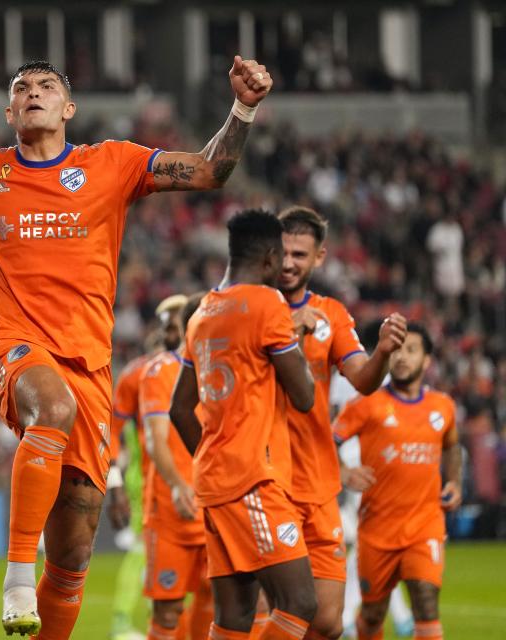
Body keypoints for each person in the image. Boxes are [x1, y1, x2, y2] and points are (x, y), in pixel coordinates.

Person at [0, 57, 274, 638]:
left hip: (89, 365)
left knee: (74, 557)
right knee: (50, 409)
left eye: (46, 86)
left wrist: (243, 107)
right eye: (20, 88)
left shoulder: (111, 163)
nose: (32, 93)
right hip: (13, 343)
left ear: (67, 109)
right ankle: (16, 576)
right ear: (8, 111)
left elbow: (208, 171)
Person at [169, 209, 317, 640]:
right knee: (299, 602)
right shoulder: (267, 303)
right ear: (270, 258)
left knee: (233, 616)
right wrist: (297, 339)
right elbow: (305, 397)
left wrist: (216, 454)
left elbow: (179, 409)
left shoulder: (200, 314)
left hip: (214, 480)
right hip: (252, 479)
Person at [265, 206, 407, 640]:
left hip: (319, 482)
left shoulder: (332, 315)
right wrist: (288, 330)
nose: (289, 263)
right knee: (264, 611)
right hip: (265, 480)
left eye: (300, 255)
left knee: (325, 621)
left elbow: (363, 379)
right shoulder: (249, 306)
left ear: (319, 258)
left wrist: (383, 352)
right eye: (284, 252)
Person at [332, 325, 462, 640]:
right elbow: (327, 439)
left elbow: (452, 445)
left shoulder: (442, 406)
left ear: (427, 360)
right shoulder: (366, 404)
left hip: (425, 525)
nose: (402, 357)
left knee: (426, 604)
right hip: (377, 530)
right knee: (374, 614)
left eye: (412, 350)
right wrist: (342, 472)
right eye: (397, 350)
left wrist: (455, 481)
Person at [139, 293, 212, 640]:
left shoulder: (224, 368)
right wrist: (179, 484)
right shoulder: (160, 371)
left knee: (220, 600)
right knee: (167, 612)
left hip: (215, 506)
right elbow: (155, 439)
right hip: (172, 510)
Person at [109, 328, 164, 640]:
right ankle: (121, 620)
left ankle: (163, 619)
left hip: (180, 475)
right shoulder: (138, 375)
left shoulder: (186, 366)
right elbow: (114, 430)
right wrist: (115, 478)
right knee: (143, 549)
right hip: (145, 477)